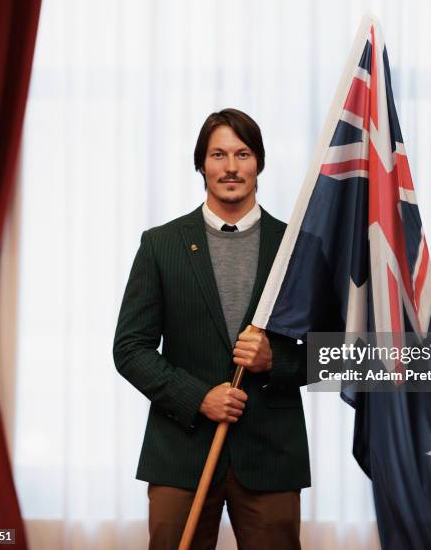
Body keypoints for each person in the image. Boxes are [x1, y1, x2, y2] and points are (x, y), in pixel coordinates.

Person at [113, 108, 310, 550]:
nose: (231, 166)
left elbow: (337, 349)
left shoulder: (296, 246)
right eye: (218, 154)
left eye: (243, 153)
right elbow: (130, 348)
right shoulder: (160, 245)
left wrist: (276, 361)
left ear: (259, 161)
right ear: (201, 163)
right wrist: (197, 397)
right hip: (179, 455)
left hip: (271, 457)